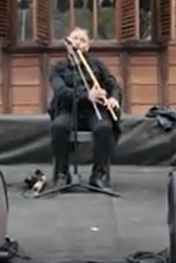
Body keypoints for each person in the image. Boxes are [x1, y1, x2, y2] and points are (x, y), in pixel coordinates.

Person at [49, 27, 122, 190]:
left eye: (83, 40)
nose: (78, 42)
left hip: (94, 109)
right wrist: (86, 95)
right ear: (68, 43)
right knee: (58, 127)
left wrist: (113, 98)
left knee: (104, 127)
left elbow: (113, 84)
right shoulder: (57, 68)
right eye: (75, 38)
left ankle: (98, 175)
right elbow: (60, 91)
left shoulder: (97, 65)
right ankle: (62, 174)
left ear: (87, 47)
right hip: (68, 109)